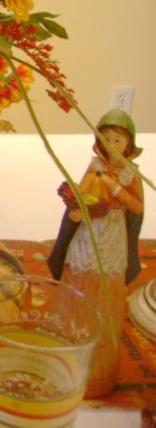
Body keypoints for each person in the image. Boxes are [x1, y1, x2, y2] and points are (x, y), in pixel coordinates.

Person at [47, 109, 144, 398]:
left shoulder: (130, 174)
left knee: (105, 289)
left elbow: (136, 208)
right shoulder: (93, 169)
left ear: (128, 144)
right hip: (89, 233)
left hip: (112, 235)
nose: (112, 145)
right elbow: (81, 199)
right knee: (79, 278)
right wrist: (76, 210)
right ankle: (62, 358)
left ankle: (98, 369)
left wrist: (114, 186)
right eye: (107, 139)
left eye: (118, 140)